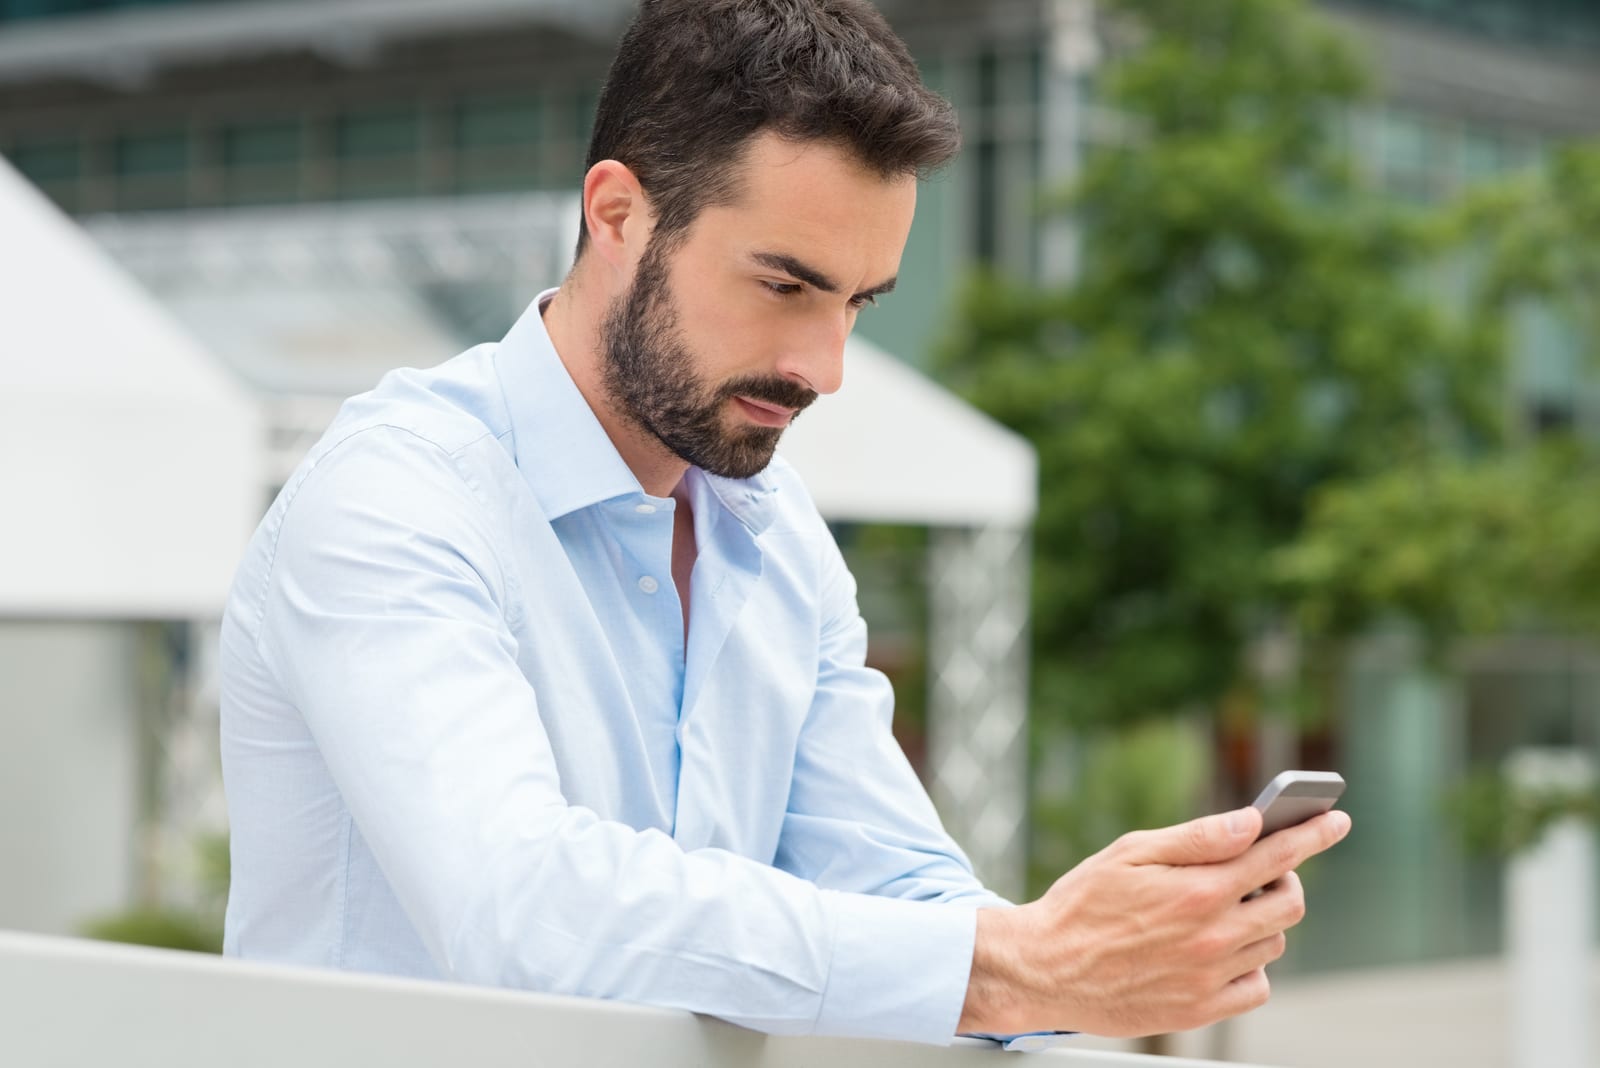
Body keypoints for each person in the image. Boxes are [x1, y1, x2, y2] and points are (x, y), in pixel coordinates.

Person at [219, 0, 1350, 1048]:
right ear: (616, 213)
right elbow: (519, 907)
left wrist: (1086, 957)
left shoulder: (773, 533)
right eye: (784, 285)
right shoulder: (396, 499)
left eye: (858, 302)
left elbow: (898, 888)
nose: (827, 367)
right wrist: (1016, 964)